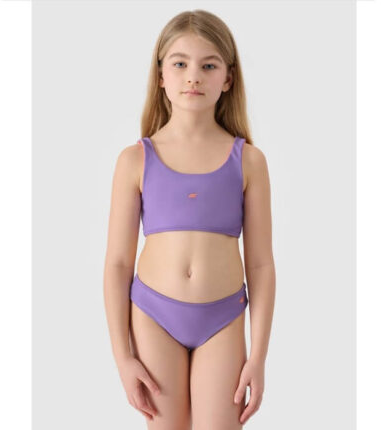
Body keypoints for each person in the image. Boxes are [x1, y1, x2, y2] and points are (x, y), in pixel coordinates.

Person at [103, 9, 275, 429]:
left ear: (228, 78)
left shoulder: (249, 161)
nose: (193, 76)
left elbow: (260, 265)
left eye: (208, 66)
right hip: (154, 316)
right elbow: (118, 264)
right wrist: (123, 358)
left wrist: (258, 357)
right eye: (180, 64)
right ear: (160, 74)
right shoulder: (135, 160)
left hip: (223, 318)